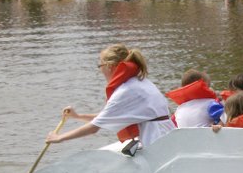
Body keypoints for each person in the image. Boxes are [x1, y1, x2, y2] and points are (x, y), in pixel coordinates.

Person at [46, 44, 175, 147]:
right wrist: (78, 116)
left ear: (110, 66)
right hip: (167, 136)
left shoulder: (126, 91)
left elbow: (94, 128)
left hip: (156, 142)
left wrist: (59, 138)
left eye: (100, 65)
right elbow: (108, 116)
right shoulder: (141, 83)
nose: (100, 70)